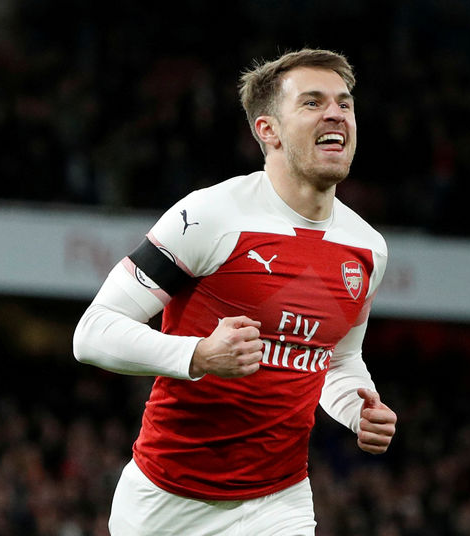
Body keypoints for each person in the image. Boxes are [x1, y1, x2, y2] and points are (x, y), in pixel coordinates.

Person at [72, 48, 397, 535]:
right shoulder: (212, 215)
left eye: (344, 103)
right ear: (268, 130)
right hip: (166, 502)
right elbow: (92, 333)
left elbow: (336, 358)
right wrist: (200, 355)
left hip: (279, 503)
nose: (335, 113)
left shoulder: (366, 248)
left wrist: (357, 408)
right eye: (312, 102)